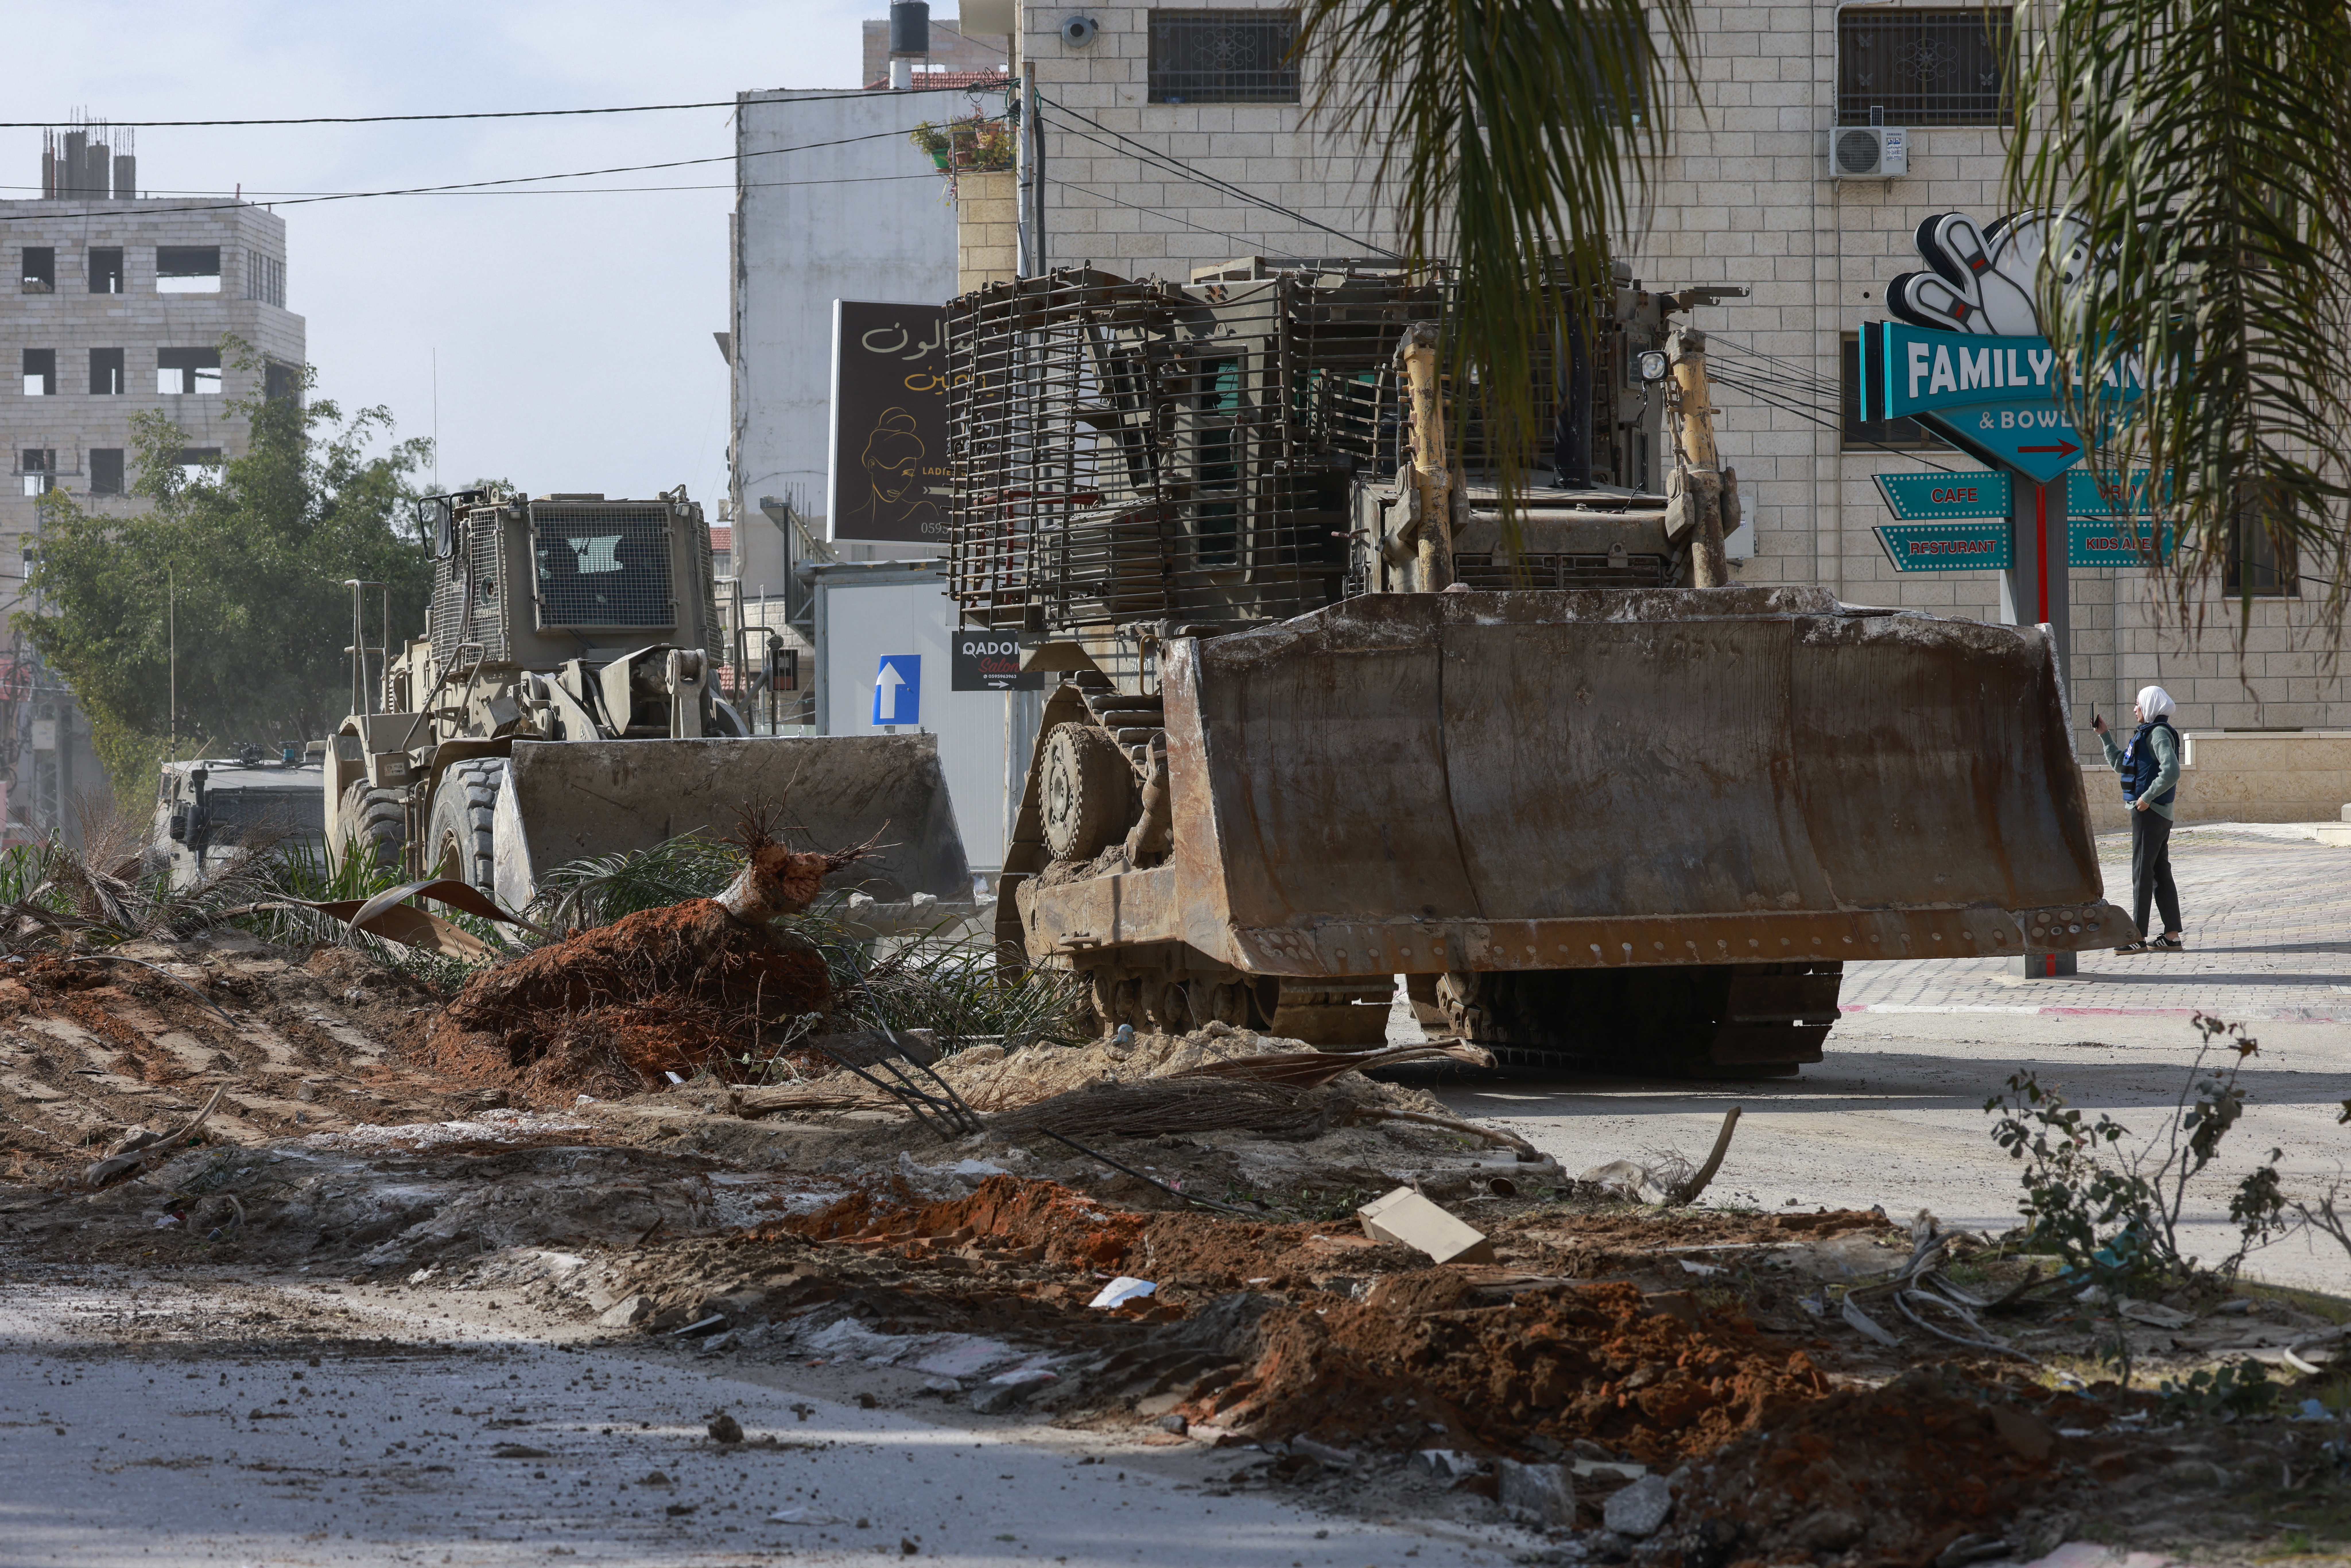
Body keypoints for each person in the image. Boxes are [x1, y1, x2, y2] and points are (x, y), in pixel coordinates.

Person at [2092, 685, 2184, 954]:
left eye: (2138, 705)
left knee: (2142, 874)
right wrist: (2105, 735)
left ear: (2150, 707)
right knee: (2159, 873)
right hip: (2155, 814)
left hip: (2150, 813)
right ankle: (2172, 936)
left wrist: (2147, 797)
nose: (2135, 710)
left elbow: (2172, 771)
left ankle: (2138, 937)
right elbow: (2123, 765)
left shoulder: (2157, 734)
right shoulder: (2146, 734)